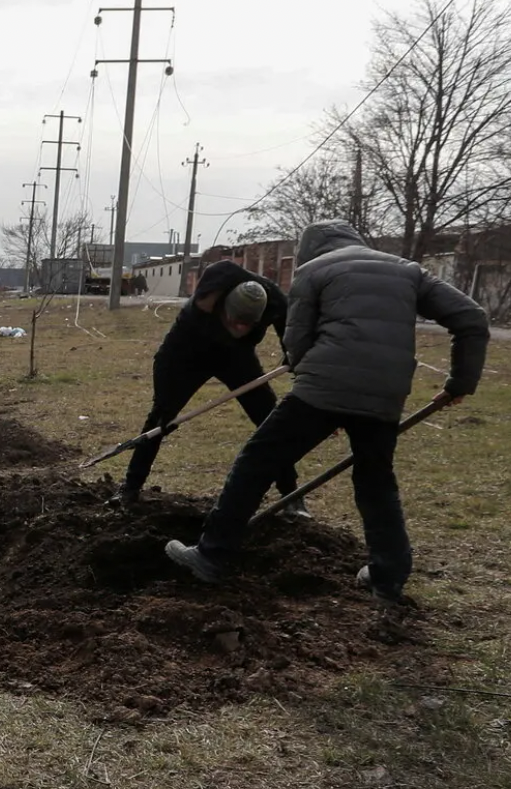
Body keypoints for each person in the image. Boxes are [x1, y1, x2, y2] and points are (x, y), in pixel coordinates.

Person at [165, 221, 487, 609]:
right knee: (376, 482)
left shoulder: (312, 271)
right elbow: (471, 318)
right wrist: (460, 383)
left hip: (324, 385)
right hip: (386, 392)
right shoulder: (408, 270)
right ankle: (388, 578)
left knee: (258, 461)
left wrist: (315, 393)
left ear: (307, 251)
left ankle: (211, 555)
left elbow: (296, 340)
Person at [119, 261, 305, 515]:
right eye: (235, 320)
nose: (240, 328)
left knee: (270, 419)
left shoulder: (274, 302)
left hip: (236, 358)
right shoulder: (207, 296)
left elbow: (292, 341)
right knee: (160, 419)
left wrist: (293, 358)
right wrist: (166, 402)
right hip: (187, 354)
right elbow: (167, 360)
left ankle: (292, 496)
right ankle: (129, 489)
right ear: (222, 306)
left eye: (247, 324)